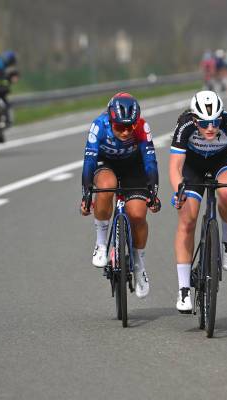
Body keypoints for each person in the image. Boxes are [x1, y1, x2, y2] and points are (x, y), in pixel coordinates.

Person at [169, 90, 227, 312]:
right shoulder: (185, 125)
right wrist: (178, 191)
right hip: (193, 167)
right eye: (205, 123)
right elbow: (175, 166)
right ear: (194, 119)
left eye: (215, 122)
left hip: (222, 162)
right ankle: (184, 289)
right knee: (187, 220)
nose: (210, 128)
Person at [80, 92, 161, 298]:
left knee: (137, 214)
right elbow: (89, 161)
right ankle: (100, 244)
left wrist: (153, 193)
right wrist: (86, 195)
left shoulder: (142, 127)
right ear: (110, 120)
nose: (125, 132)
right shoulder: (99, 125)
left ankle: (139, 264)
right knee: (107, 186)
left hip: (133, 168)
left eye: (130, 127)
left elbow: (150, 162)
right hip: (106, 165)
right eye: (120, 127)